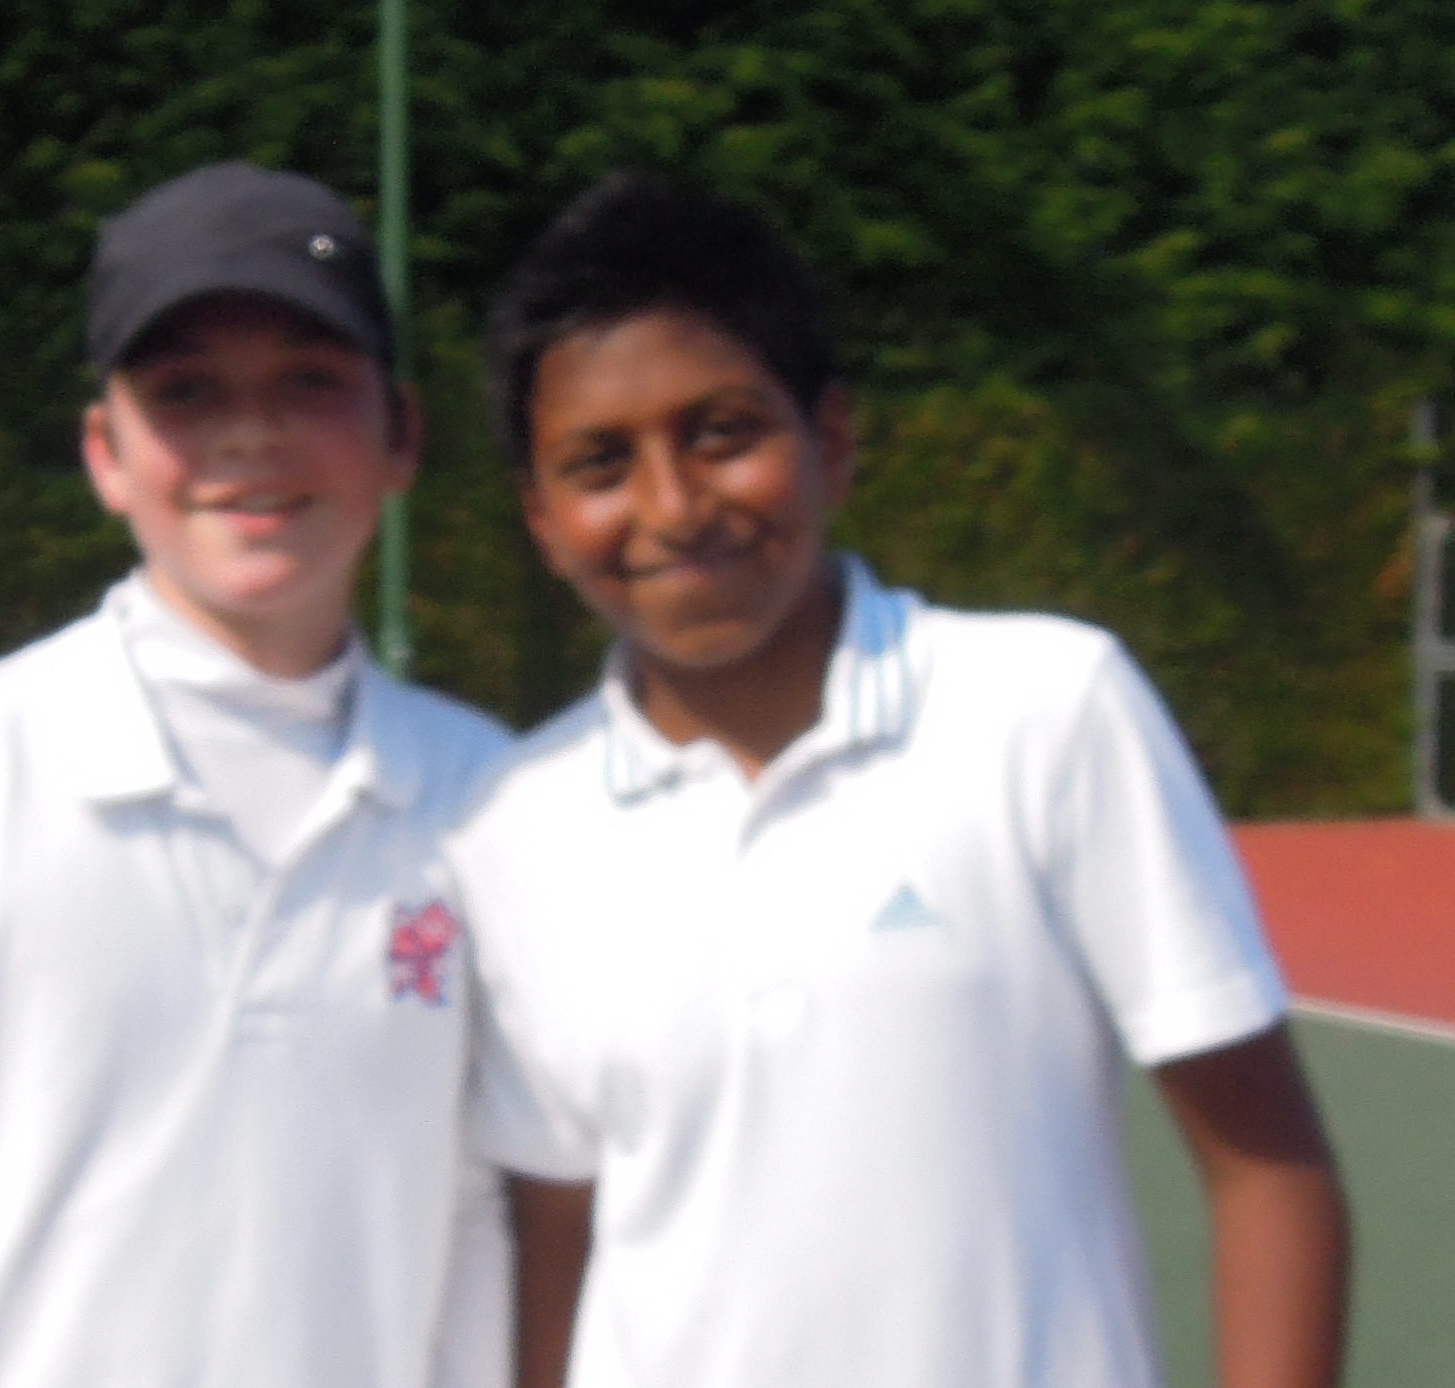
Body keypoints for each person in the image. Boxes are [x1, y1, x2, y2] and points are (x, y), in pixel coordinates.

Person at [453, 172, 1350, 1388]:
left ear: (830, 439)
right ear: (543, 520)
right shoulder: (510, 827)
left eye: (722, 432)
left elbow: (1265, 1169)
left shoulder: (1045, 709)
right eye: (600, 462)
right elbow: (558, 1248)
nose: (671, 505)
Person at [0, 162, 512, 1388]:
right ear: (106, 453)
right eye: (185, 390)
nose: (249, 433)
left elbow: (480, 1236)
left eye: (312, 382)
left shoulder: (492, 793)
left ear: (403, 435)